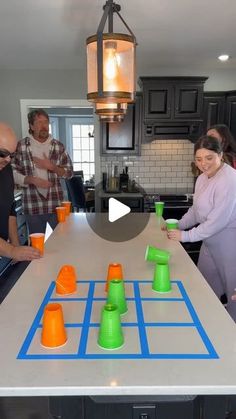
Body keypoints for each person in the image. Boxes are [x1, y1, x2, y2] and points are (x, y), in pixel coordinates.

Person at [167, 135, 236, 322]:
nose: (203, 164)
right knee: (204, 291)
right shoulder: (202, 178)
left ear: (220, 155)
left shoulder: (229, 179)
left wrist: (185, 236)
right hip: (209, 243)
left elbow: (217, 221)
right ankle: (207, 329)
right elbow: (196, 211)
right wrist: (176, 225)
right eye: (198, 159)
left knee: (233, 297)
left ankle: (230, 344)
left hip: (230, 245)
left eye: (209, 158)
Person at [12, 109, 73, 234]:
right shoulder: (21, 146)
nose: (44, 126)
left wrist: (52, 167)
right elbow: (12, 173)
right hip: (32, 204)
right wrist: (31, 179)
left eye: (46, 122)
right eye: (39, 122)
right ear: (31, 126)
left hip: (56, 205)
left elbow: (70, 173)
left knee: (62, 241)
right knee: (37, 248)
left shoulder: (58, 146)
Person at [0, 122, 40, 261]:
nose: (7, 159)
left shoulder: (6, 170)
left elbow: (9, 211)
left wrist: (15, 245)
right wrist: (12, 251)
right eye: (2, 153)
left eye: (11, 155)